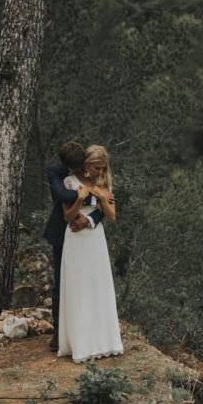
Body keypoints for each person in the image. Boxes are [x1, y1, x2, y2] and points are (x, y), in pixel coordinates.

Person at [58, 145, 123, 363]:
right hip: (75, 240)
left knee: (98, 285)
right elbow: (67, 216)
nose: (100, 173)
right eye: (97, 168)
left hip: (95, 239)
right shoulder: (70, 183)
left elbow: (112, 216)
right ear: (86, 166)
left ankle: (104, 341)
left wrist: (101, 200)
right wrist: (80, 199)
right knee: (79, 288)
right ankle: (81, 342)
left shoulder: (104, 183)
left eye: (103, 169)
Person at [44, 141, 104, 353]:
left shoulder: (94, 175)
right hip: (62, 233)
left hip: (86, 235)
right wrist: (88, 192)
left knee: (88, 282)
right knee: (62, 282)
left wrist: (90, 219)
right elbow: (63, 195)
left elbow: (103, 208)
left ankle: (89, 329)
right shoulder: (57, 173)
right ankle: (60, 332)